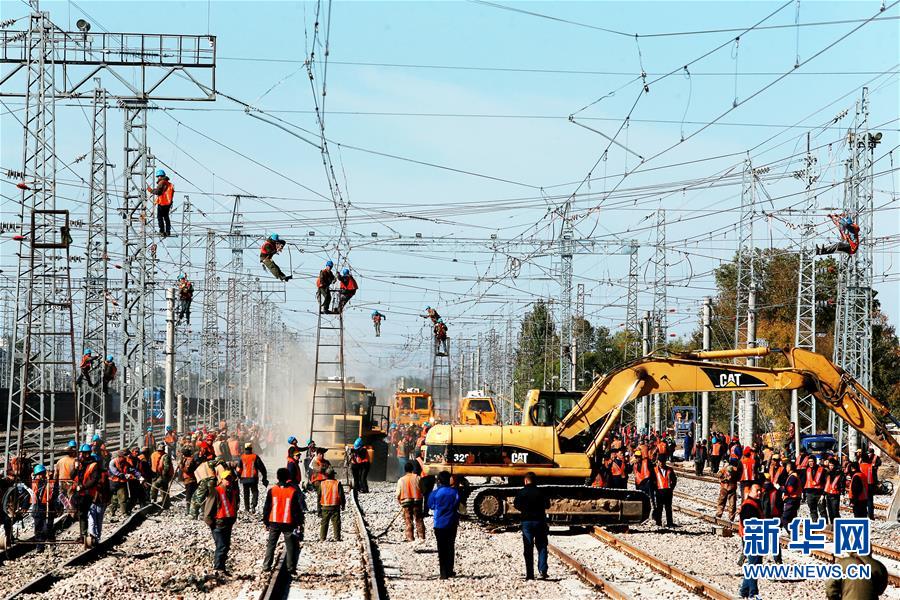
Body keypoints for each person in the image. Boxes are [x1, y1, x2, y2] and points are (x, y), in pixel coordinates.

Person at [262, 468, 305, 574]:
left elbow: (267, 507)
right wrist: (299, 523)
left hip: (274, 521)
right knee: (290, 546)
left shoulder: (272, 490)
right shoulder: (292, 491)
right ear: (287, 478)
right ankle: (290, 568)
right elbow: (296, 510)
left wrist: (266, 522)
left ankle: (266, 566)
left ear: (277, 477)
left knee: (271, 544)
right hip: (288, 522)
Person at [513, 472, 550, 580]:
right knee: (542, 546)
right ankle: (543, 569)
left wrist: (524, 510)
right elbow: (547, 505)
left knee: (528, 548)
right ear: (535, 481)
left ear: (525, 481)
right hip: (540, 522)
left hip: (527, 522)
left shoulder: (521, 492)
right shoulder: (541, 492)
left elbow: (516, 505)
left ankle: (530, 574)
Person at [73, 443, 107, 548]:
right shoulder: (80, 464)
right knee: (82, 514)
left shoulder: (93, 464)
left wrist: (83, 487)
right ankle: (83, 535)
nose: (86, 455)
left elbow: (94, 480)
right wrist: (75, 468)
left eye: (87, 453)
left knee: (91, 515)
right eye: (84, 453)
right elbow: (72, 475)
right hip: (80, 493)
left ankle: (93, 536)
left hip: (90, 494)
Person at [429, 471, 460, 580]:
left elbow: (431, 506)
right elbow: (457, 504)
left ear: (439, 481)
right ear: (449, 480)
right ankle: (450, 570)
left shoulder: (435, 493)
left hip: (439, 524)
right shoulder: (454, 492)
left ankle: (443, 573)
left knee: (441, 548)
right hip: (452, 523)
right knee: (450, 546)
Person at [207, 470, 239, 574]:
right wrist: (212, 525)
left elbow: (234, 506)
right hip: (218, 524)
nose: (228, 481)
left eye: (230, 478)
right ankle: (218, 569)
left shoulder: (233, 491)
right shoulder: (216, 491)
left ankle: (222, 568)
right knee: (221, 546)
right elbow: (208, 511)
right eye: (226, 479)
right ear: (221, 479)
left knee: (225, 546)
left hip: (228, 523)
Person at [738, 482, 764, 599]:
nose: (759, 493)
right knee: (754, 566)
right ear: (750, 492)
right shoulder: (749, 505)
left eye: (760, 491)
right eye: (756, 491)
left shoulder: (754, 503)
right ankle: (753, 593)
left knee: (754, 564)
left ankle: (744, 591)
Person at [396, 461, 425, 542]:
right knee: (419, 519)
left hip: (406, 502)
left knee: (408, 520)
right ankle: (421, 537)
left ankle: (410, 538)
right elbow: (423, 490)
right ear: (412, 469)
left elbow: (398, 494)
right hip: (417, 502)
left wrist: (400, 503)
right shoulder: (418, 478)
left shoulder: (401, 480)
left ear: (405, 470)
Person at [237, 443, 269, 513]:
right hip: (253, 478)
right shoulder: (255, 457)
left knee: (246, 493)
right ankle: (253, 505)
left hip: (244, 478)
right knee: (255, 491)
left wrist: (239, 477)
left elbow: (238, 469)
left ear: (245, 449)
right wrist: (264, 477)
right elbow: (262, 468)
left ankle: (247, 508)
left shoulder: (242, 457)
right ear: (251, 449)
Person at [31, 464, 56, 552]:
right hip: (37, 508)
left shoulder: (51, 482)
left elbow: (54, 493)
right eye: (38, 474)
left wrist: (49, 479)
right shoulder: (34, 483)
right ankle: (39, 547)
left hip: (48, 507)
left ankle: (52, 543)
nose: (40, 476)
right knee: (38, 528)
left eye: (41, 474)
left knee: (48, 527)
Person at [318, 468, 345, 541]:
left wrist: (319, 509)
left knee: (324, 523)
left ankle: (322, 538)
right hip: (335, 507)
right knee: (336, 522)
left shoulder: (322, 483)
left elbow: (319, 497)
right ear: (333, 475)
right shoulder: (337, 483)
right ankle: (337, 537)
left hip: (325, 507)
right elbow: (341, 495)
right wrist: (343, 505)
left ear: (326, 475)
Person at [147, 168, 174, 237]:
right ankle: (168, 231)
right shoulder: (169, 184)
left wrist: (151, 190)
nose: (158, 178)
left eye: (158, 176)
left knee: (159, 217)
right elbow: (163, 191)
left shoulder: (161, 182)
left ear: (160, 176)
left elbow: (158, 192)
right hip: (168, 203)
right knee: (166, 217)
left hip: (162, 202)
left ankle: (162, 231)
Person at [651, 456, 677, 527]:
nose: (661, 463)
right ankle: (658, 522)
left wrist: (671, 488)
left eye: (663, 462)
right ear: (658, 462)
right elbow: (652, 481)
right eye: (660, 462)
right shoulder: (654, 470)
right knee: (659, 508)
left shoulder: (669, 469)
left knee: (668, 508)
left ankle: (670, 523)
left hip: (668, 492)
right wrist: (654, 489)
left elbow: (674, 480)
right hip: (659, 492)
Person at [150, 442, 174, 508]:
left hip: (162, 475)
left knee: (156, 486)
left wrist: (163, 476)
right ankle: (165, 503)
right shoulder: (154, 455)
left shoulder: (164, 456)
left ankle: (154, 501)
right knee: (164, 488)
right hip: (157, 474)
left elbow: (166, 468)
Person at [803, 455, 825, 522]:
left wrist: (823, 494)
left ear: (815, 461)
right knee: (812, 510)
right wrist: (804, 494)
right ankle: (815, 523)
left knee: (822, 510)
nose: (810, 463)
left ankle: (825, 524)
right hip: (809, 493)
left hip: (819, 493)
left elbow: (825, 482)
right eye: (809, 461)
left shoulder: (822, 470)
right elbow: (804, 481)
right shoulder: (806, 470)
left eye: (812, 461)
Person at [822, 457, 844, 524]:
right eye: (830, 465)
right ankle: (832, 524)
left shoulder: (839, 473)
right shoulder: (828, 474)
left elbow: (842, 484)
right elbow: (826, 485)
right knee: (830, 512)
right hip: (828, 495)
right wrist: (823, 494)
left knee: (835, 512)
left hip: (835, 495)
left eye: (832, 465)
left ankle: (837, 525)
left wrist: (842, 493)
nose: (831, 467)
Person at [179, 447, 198, 515]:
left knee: (189, 496)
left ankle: (189, 510)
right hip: (188, 480)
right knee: (190, 495)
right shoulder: (186, 459)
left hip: (190, 480)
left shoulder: (189, 460)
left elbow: (188, 470)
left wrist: (181, 467)